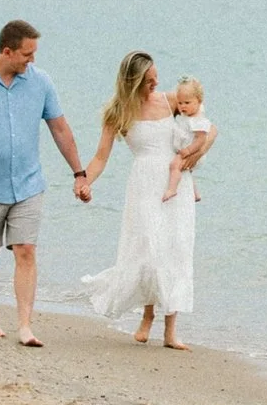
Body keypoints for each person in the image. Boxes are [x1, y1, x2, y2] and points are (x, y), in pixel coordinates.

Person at [0, 19, 88, 347]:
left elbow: (60, 129)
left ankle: (25, 325)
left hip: (28, 185)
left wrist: (79, 173)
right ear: (7, 51)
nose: (32, 60)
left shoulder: (41, 83)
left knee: (25, 250)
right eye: (27, 54)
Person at [77, 51, 196, 350]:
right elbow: (101, 157)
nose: (156, 85)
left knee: (176, 248)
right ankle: (147, 316)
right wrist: (84, 181)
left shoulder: (171, 102)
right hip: (144, 184)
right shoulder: (118, 112)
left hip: (175, 183)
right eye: (149, 81)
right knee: (148, 249)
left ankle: (171, 330)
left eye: (157, 79)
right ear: (133, 82)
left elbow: (203, 120)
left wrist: (195, 155)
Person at [160, 76, 218, 203]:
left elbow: (201, 139)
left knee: (174, 166)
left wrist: (188, 150)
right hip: (186, 149)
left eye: (187, 103)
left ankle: (172, 189)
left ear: (198, 101)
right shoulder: (186, 116)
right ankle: (195, 193)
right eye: (180, 103)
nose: (182, 107)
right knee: (187, 171)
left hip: (191, 152)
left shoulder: (198, 120)